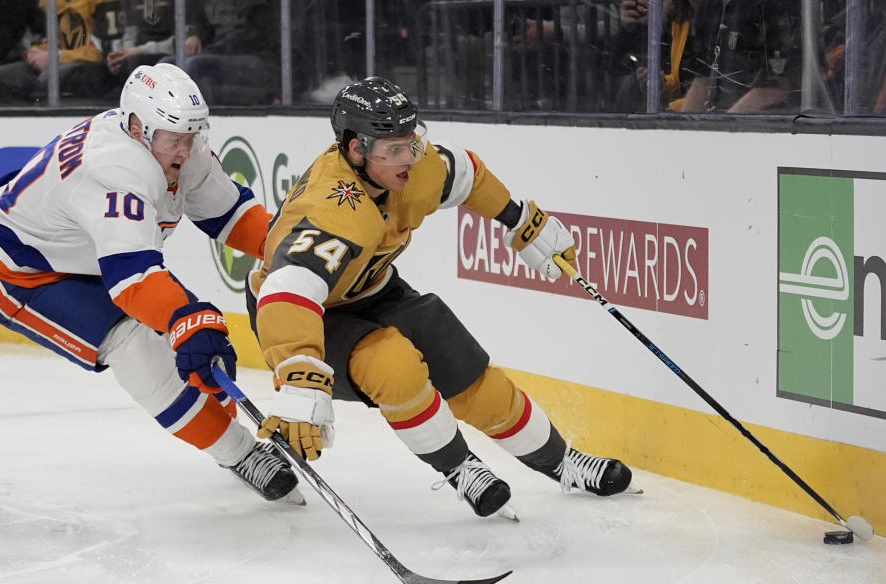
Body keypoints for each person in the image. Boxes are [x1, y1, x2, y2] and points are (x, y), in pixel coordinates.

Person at [245, 77, 633, 519]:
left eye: (411, 141)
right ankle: (460, 468)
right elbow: (287, 290)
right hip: (308, 315)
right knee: (394, 368)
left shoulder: (414, 166)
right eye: (393, 149)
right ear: (356, 149)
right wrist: (298, 376)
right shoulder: (334, 210)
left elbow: (465, 174)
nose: (409, 157)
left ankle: (562, 462)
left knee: (467, 371)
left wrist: (520, 221)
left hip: (374, 288)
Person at [0, 63, 299, 504]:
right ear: (137, 128)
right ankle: (240, 453)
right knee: (134, 344)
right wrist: (185, 319)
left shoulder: (176, 144)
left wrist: (294, 248)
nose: (185, 149)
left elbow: (228, 214)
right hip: (19, 271)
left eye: (192, 136)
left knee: (191, 337)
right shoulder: (112, 167)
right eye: (174, 138)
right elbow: (133, 277)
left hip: (92, 255)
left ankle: (222, 423)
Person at [678, 0, 801, 113]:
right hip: (723, 123)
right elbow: (703, 81)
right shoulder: (711, 8)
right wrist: (681, 130)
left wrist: (724, 127)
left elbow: (776, 89)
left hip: (770, 126)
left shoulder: (775, 6)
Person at [0, 0, 114, 105]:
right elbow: (49, 39)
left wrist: (57, 57)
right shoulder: (48, 3)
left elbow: (104, 53)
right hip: (55, 63)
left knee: (48, 79)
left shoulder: (102, 2)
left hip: (91, 67)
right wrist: (34, 53)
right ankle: (25, 125)